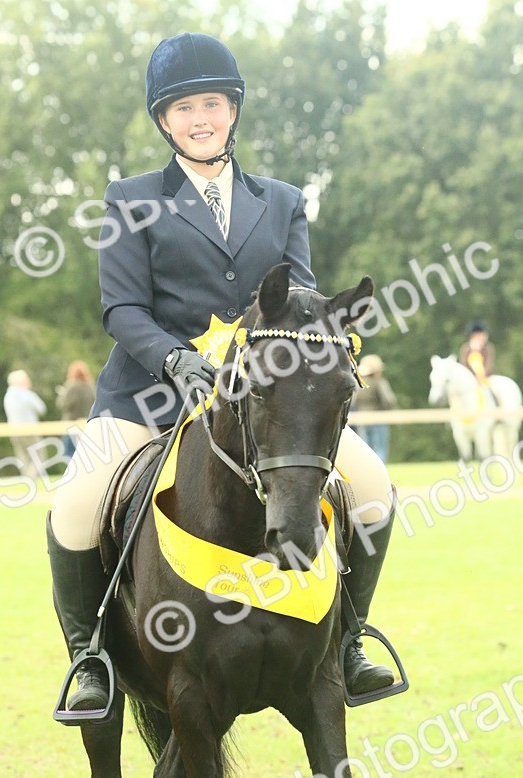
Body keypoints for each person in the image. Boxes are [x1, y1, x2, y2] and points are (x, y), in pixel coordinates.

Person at [46, 31, 397, 714]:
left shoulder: (284, 200)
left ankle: (350, 640)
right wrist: (176, 358)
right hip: (148, 394)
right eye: (183, 108)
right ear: (163, 121)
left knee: (376, 489)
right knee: (74, 508)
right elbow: (121, 307)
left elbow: (302, 300)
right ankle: (90, 659)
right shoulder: (130, 197)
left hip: (261, 399)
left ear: (232, 111)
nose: (199, 118)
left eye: (211, 103)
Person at [352, 354, 397, 463]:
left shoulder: (358, 383)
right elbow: (389, 400)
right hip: (378, 418)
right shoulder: (379, 382)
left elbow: (353, 401)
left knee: (366, 449)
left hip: (361, 418)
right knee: (380, 448)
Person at [3, 369, 46, 478]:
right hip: (30, 430)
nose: (28, 381)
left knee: (22, 457)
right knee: (39, 456)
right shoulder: (26, 394)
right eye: (26, 379)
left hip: (13, 430)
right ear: (20, 381)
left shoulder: (7, 396)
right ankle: (30, 478)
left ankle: (26, 478)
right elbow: (41, 408)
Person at [56, 361, 96, 458]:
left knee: (69, 453)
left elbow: (62, 405)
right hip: (86, 424)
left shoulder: (71, 386)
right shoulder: (90, 387)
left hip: (71, 424)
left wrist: (62, 394)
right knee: (84, 454)